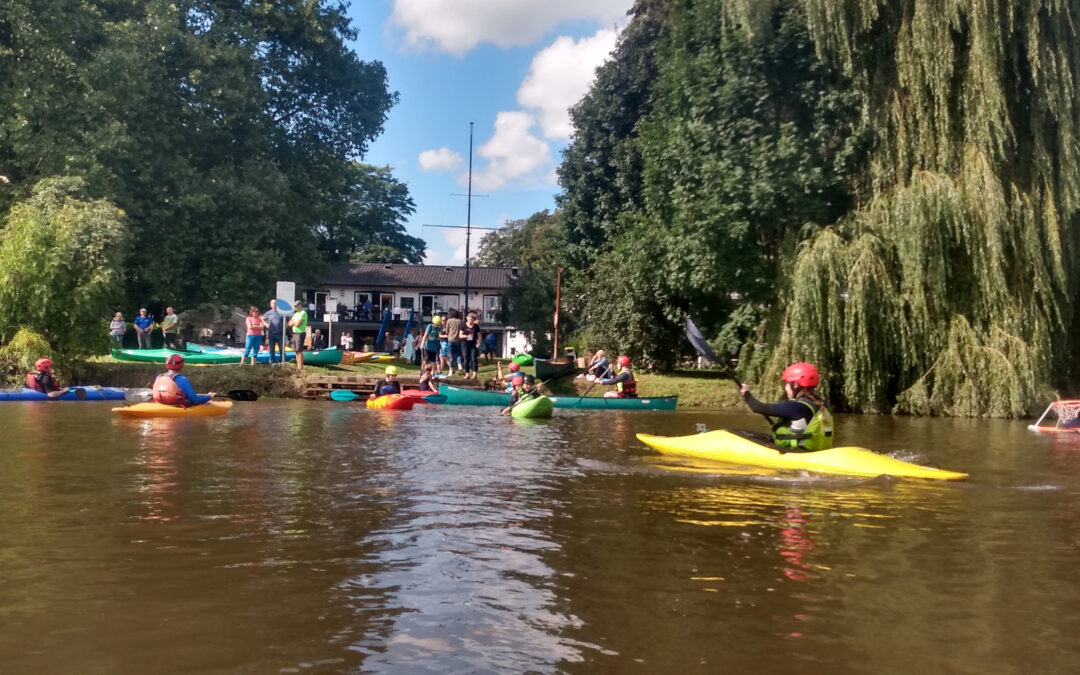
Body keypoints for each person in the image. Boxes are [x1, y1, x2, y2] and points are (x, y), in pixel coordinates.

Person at [739, 362, 834, 452]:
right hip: (816, 451)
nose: (785, 388)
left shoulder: (796, 406)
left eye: (787, 384)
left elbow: (758, 408)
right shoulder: (820, 404)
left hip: (798, 453)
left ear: (796, 385)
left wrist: (746, 394)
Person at [262, 300, 285, 364]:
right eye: (273, 303)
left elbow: (288, 318)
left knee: (282, 349)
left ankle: (283, 362)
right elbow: (262, 318)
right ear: (271, 305)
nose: (274, 304)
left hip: (280, 333)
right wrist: (266, 325)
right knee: (271, 349)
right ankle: (272, 362)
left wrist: (285, 326)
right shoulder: (268, 313)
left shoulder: (282, 312)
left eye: (275, 303)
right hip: (271, 334)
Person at [443, 309, 464, 377]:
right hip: (458, 340)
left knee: (451, 356)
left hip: (450, 339)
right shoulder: (460, 321)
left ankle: (451, 370)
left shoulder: (449, 321)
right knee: (458, 354)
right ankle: (459, 365)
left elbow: (446, 331)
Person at [289, 301, 308, 370]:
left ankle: (300, 366)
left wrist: (294, 322)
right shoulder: (295, 314)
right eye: (295, 306)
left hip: (300, 333)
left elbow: (298, 324)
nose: (296, 307)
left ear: (300, 305)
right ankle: (298, 365)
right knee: (296, 350)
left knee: (299, 350)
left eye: (297, 306)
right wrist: (294, 322)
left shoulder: (303, 313)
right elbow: (289, 324)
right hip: (294, 333)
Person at [462, 313, 481, 380]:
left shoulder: (476, 326)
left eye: (472, 319)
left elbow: (479, 335)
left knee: (474, 358)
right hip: (465, 343)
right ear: (467, 318)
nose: (471, 321)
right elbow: (459, 335)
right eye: (470, 319)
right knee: (466, 358)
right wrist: (465, 336)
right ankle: (467, 374)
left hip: (473, 344)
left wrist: (479, 343)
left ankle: (474, 374)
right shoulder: (464, 325)